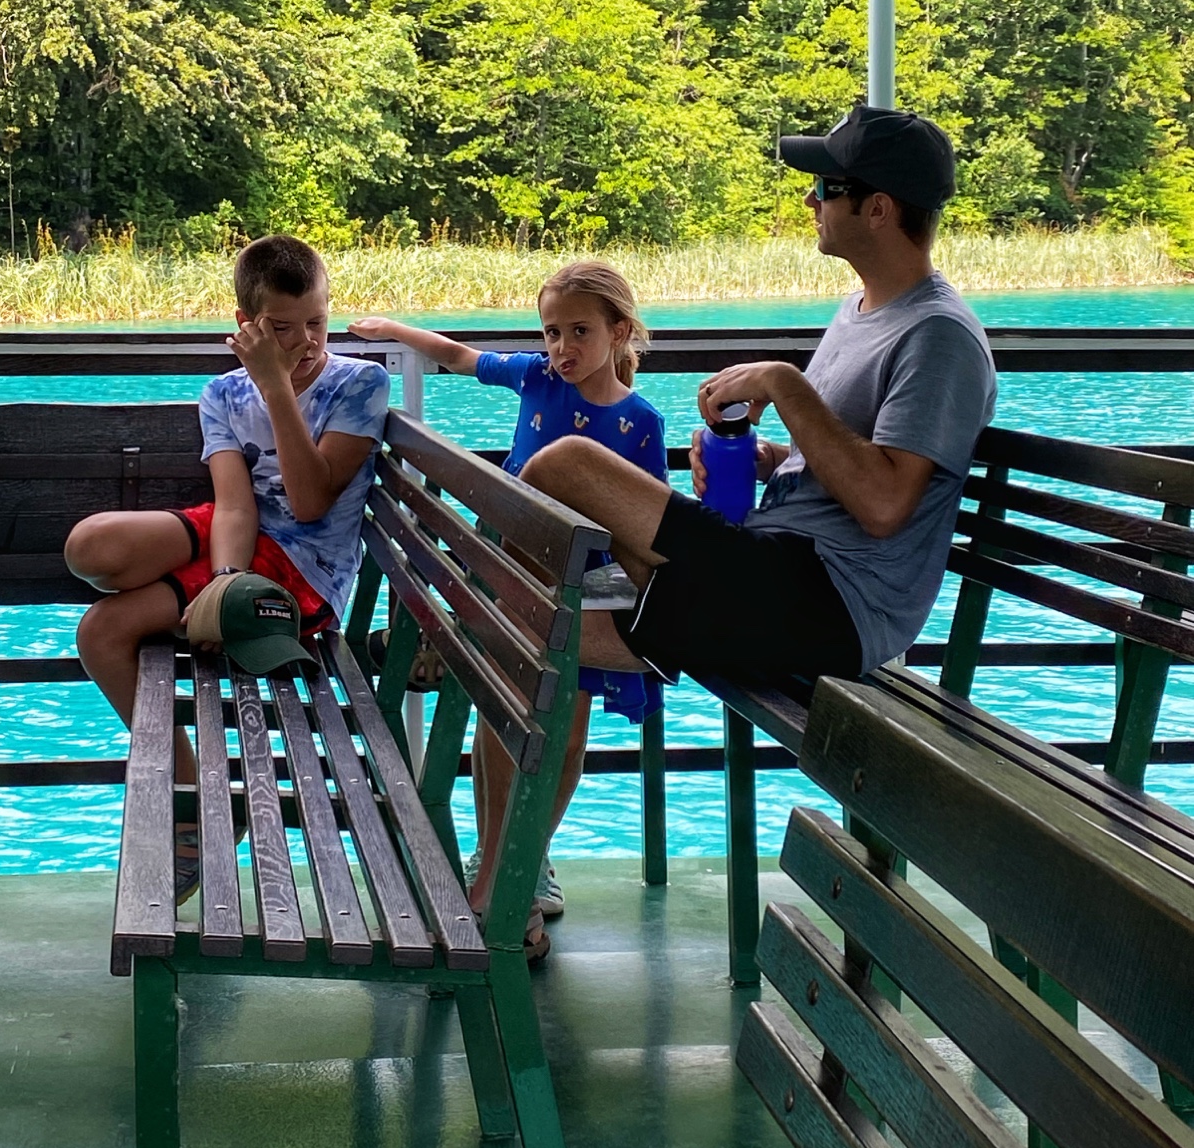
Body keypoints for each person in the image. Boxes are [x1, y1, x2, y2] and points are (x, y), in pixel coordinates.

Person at [514, 107, 997, 690]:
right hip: (776, 566)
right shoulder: (862, 311)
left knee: (567, 465)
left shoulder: (939, 336)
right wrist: (767, 459)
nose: (809, 201)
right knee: (532, 617)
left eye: (825, 187)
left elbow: (885, 504)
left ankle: (477, 613)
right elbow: (850, 466)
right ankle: (479, 618)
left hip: (834, 602)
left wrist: (782, 383)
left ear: (877, 209)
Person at [351, 261, 667, 959]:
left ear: (619, 332)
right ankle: (503, 871)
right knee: (504, 716)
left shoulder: (641, 421)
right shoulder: (535, 378)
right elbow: (461, 357)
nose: (562, 348)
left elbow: (648, 526)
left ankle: (525, 861)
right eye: (551, 332)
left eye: (580, 332)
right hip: (511, 583)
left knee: (566, 739)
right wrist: (396, 330)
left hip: (585, 597)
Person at [66, 233, 390, 903]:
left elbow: (309, 501)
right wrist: (224, 583)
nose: (305, 342)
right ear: (246, 326)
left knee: (101, 632)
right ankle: (197, 782)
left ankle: (193, 802)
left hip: (303, 568)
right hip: (242, 538)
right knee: (91, 546)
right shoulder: (221, 393)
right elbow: (236, 506)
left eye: (317, 322)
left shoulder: (360, 383)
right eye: (282, 329)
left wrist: (275, 386)